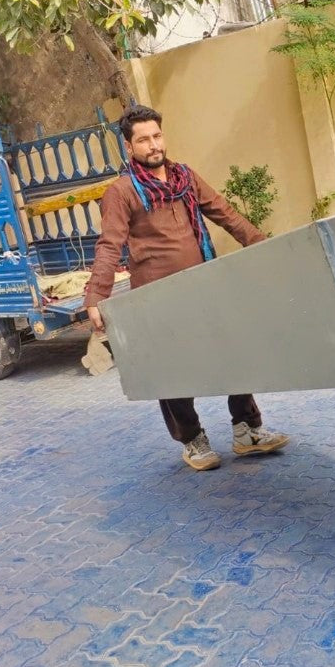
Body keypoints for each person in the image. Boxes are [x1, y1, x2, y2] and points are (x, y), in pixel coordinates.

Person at [85, 105, 290, 471]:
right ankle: (192, 440)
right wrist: (96, 296)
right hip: (156, 297)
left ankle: (247, 430)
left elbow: (226, 213)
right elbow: (109, 243)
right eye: (143, 140)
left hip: (202, 286)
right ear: (129, 148)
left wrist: (264, 248)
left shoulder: (185, 177)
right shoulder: (121, 192)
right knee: (171, 369)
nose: (153, 145)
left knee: (231, 350)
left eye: (157, 136)